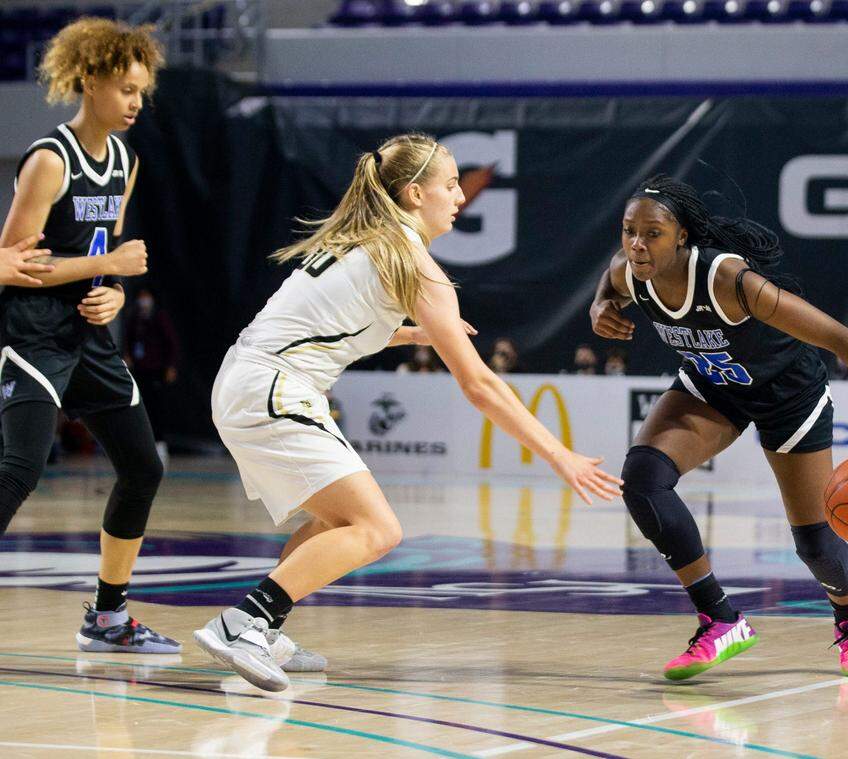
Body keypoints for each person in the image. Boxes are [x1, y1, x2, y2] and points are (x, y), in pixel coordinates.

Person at [198, 133, 622, 692]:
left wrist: (414, 334)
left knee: (333, 520)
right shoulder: (413, 262)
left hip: (250, 378)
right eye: (450, 185)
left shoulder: (365, 239)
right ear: (414, 193)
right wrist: (559, 454)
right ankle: (244, 623)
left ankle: (266, 626)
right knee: (377, 529)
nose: (460, 197)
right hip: (274, 388)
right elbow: (480, 386)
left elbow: (334, 325)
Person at [590, 175, 848, 680]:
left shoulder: (730, 282)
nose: (636, 243)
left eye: (652, 233)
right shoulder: (631, 273)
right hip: (712, 387)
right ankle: (719, 617)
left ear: (681, 238)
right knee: (644, 480)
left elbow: (841, 339)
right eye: (629, 230)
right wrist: (598, 306)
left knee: (813, 543)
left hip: (788, 395)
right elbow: (609, 282)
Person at [0, 18, 176, 653]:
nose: (135, 102)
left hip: (91, 336)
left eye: (141, 91)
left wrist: (116, 289)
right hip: (35, 332)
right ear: (90, 81)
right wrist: (114, 267)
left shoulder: (125, 161)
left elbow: (105, 255)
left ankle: (108, 617)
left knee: (142, 469)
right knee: (18, 470)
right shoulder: (52, 160)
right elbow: (14, 262)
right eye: (126, 89)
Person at [123, 287, 180, 464]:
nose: (143, 300)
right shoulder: (135, 318)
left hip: (156, 370)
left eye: (146, 296)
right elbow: (128, 340)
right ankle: (142, 445)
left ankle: (160, 444)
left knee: (157, 409)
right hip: (140, 370)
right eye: (141, 297)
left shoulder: (160, 317)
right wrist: (128, 356)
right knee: (140, 407)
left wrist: (170, 366)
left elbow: (172, 343)